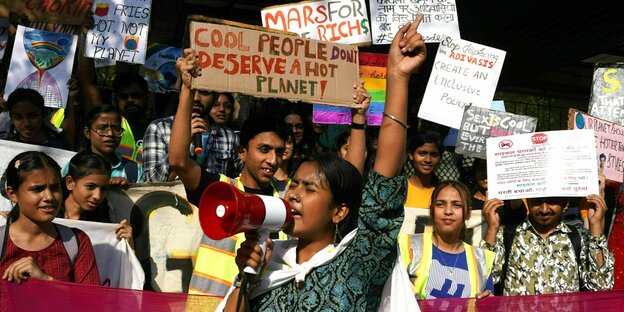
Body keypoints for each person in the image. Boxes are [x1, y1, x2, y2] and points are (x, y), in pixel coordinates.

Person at [220, 16, 425, 311]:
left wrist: (398, 77)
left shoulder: (360, 261)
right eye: (294, 185)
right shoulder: (270, 262)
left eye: (309, 188)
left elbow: (384, 184)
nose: (292, 195)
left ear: (340, 212)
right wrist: (246, 278)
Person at [170, 50, 290, 296]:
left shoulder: (287, 202)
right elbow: (179, 160)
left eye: (279, 152)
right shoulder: (219, 190)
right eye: (264, 149)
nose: (272, 160)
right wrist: (187, 89)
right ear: (242, 152)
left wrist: (358, 121)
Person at [482, 193, 615, 295]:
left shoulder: (578, 237)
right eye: (537, 202)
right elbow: (483, 281)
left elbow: (601, 284)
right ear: (527, 200)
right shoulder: (506, 235)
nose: (544, 209)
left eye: (552, 202)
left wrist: (595, 224)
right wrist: (492, 228)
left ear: (564, 202)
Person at [0, 151, 100, 285]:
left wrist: (46, 280)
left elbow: (92, 302)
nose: (49, 197)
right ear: (12, 194)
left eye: (55, 188)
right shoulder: (2, 243)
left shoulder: (77, 241)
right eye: (37, 189)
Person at [395, 181, 494, 300]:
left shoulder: (482, 260)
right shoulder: (407, 247)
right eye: (440, 204)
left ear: (468, 213)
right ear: (431, 210)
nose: (448, 211)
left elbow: (487, 301)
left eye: (456, 205)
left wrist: (488, 303)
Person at [141, 90, 240, 182]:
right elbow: (151, 182)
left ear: (215, 97)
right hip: (174, 200)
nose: (196, 98)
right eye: (190, 91)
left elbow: (237, 180)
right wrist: (183, 144)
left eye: (204, 92)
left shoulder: (229, 137)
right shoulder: (160, 128)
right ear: (181, 94)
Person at [59, 151, 134, 249]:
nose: (97, 196)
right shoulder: (48, 217)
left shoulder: (108, 220)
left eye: (103, 189)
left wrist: (129, 244)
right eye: (90, 187)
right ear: (70, 183)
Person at [66, 105, 142, 184]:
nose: (110, 134)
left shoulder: (135, 170)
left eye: (116, 128)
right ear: (87, 132)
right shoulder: (73, 167)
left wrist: (128, 188)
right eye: (102, 128)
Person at [1, 88, 66, 149]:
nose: (26, 123)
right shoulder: (4, 145)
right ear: (11, 119)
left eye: (32, 116)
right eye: (18, 117)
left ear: (43, 114)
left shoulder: (57, 145)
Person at [112, 72, 150, 165]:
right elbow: (88, 86)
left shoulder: (158, 128)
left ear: (146, 97)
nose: (130, 100)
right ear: (116, 100)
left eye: (135, 95)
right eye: (124, 97)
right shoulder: (110, 127)